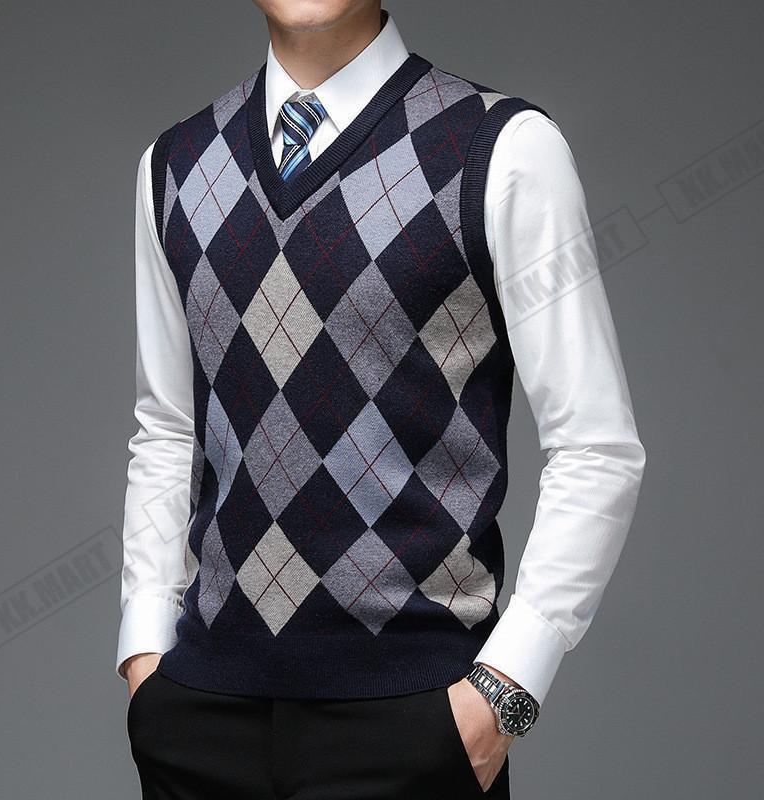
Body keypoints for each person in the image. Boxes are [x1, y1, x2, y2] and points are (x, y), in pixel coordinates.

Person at [116, 2, 646, 797]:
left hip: (414, 722)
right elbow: (166, 427)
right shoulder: (175, 165)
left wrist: (504, 693)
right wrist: (145, 656)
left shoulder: (501, 148)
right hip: (199, 720)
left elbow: (596, 447)